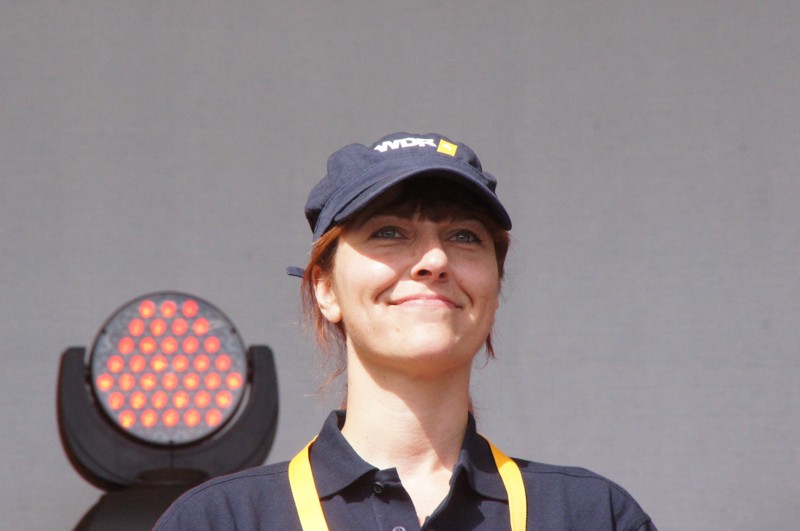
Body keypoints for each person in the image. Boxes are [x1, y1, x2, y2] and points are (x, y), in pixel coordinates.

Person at [155, 132, 656, 530]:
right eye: (389, 232)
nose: (434, 260)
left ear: (494, 287)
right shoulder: (219, 520)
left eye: (464, 236)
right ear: (325, 289)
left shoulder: (590, 515)